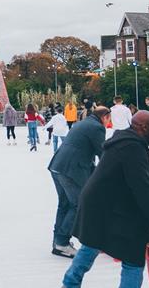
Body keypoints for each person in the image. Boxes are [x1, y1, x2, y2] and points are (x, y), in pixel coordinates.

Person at [61, 111, 149, 288]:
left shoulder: (126, 141)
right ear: (143, 127)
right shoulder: (132, 147)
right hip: (105, 205)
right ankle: (70, 283)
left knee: (92, 243)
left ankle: (70, 283)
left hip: (103, 202)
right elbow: (142, 186)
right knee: (133, 255)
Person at [47, 107, 110, 258]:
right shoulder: (97, 127)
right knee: (79, 204)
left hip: (58, 166)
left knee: (65, 204)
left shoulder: (83, 123)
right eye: (109, 119)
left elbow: (83, 149)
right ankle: (62, 242)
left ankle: (58, 242)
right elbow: (103, 153)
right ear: (105, 117)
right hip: (70, 170)